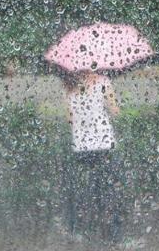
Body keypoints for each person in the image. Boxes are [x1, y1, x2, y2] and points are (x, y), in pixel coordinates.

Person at [61, 71, 123, 244]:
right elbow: (115, 111)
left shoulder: (69, 86)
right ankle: (113, 236)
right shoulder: (103, 82)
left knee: (83, 190)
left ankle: (79, 231)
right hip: (103, 145)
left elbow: (69, 119)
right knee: (109, 190)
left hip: (81, 147)